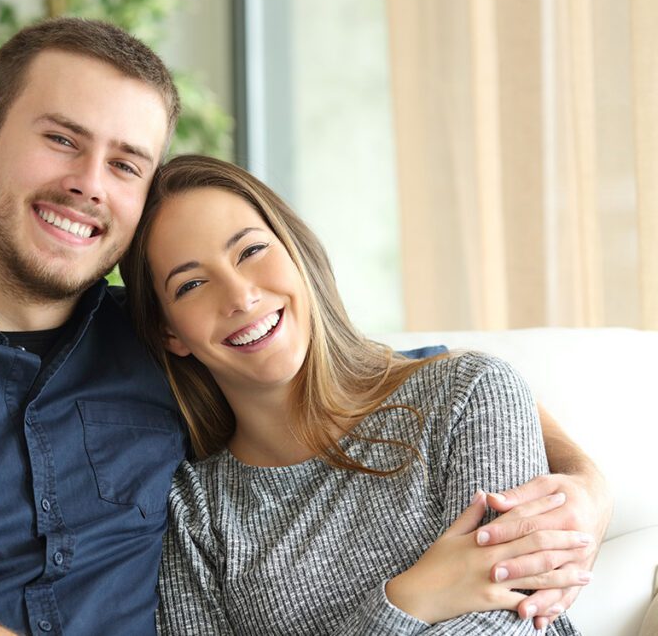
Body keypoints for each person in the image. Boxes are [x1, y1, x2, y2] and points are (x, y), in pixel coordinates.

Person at [0, 19, 607, 636]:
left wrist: (584, 483)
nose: (88, 183)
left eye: (126, 163)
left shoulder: (165, 337)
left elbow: (389, 371)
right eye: (61, 139)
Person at [119, 155, 590, 634]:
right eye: (192, 284)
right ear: (169, 332)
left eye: (251, 250)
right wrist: (408, 598)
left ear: (296, 253)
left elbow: (512, 623)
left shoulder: (468, 393)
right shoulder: (193, 514)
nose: (240, 297)